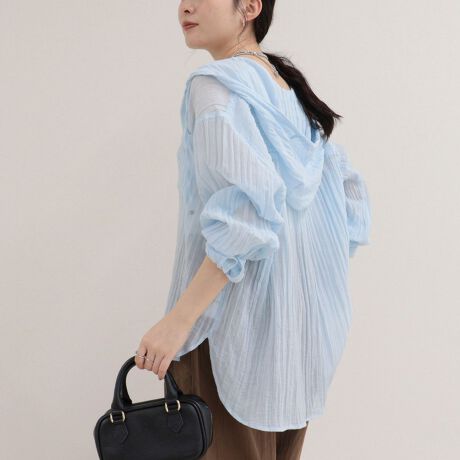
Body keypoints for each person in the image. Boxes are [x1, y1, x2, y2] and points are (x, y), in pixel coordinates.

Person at [135, 1, 372, 458]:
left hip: (231, 335)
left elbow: (246, 218)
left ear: (249, 6)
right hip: (297, 344)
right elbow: (346, 210)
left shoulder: (215, 86)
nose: (185, 6)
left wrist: (178, 323)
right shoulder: (290, 93)